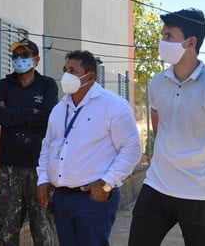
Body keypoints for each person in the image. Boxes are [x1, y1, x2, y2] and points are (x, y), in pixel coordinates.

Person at [128, 8, 205, 246]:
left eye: (169, 37)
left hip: (198, 193)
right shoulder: (158, 82)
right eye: (162, 35)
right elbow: (159, 128)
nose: (162, 41)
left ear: (191, 42)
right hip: (157, 186)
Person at [36, 50, 142, 246]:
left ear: (90, 76)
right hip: (61, 198)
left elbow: (131, 149)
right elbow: (47, 145)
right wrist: (43, 179)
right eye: (65, 70)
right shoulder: (60, 109)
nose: (66, 75)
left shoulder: (113, 105)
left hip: (93, 200)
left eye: (73, 71)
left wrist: (107, 182)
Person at [0, 38, 59, 245]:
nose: (19, 59)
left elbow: (47, 117)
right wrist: (30, 113)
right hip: (9, 166)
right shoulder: (5, 85)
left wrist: (11, 115)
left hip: (39, 168)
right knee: (8, 228)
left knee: (42, 227)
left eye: (24, 55)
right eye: (15, 55)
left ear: (36, 59)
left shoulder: (47, 85)